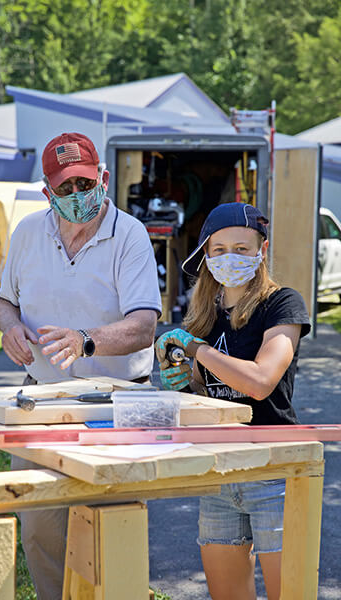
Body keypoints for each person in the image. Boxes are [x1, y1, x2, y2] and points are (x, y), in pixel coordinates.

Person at [0, 131, 162, 600]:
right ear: (47, 192)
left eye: (85, 185)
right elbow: (4, 302)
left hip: (119, 399)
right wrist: (10, 327)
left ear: (104, 180)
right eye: (65, 189)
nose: (77, 197)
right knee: (41, 526)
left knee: (113, 523)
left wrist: (87, 340)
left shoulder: (129, 234)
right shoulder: (28, 231)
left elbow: (145, 325)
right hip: (42, 399)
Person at [155, 202, 310, 600]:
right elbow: (206, 400)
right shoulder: (203, 316)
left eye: (242, 249)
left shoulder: (283, 304)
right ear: (205, 255)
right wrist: (181, 384)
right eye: (219, 249)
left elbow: (260, 382)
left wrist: (198, 352)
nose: (230, 258)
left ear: (262, 250)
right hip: (220, 472)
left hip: (273, 470)